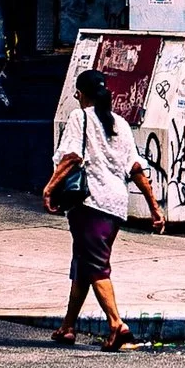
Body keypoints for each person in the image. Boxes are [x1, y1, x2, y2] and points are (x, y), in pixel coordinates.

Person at [43, 65, 163, 347]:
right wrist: (154, 208)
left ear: (81, 94)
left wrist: (49, 188)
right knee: (83, 264)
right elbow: (135, 168)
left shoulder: (79, 116)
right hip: (115, 206)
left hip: (90, 204)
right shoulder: (120, 123)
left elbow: (71, 157)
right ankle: (68, 326)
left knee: (96, 266)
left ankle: (116, 325)